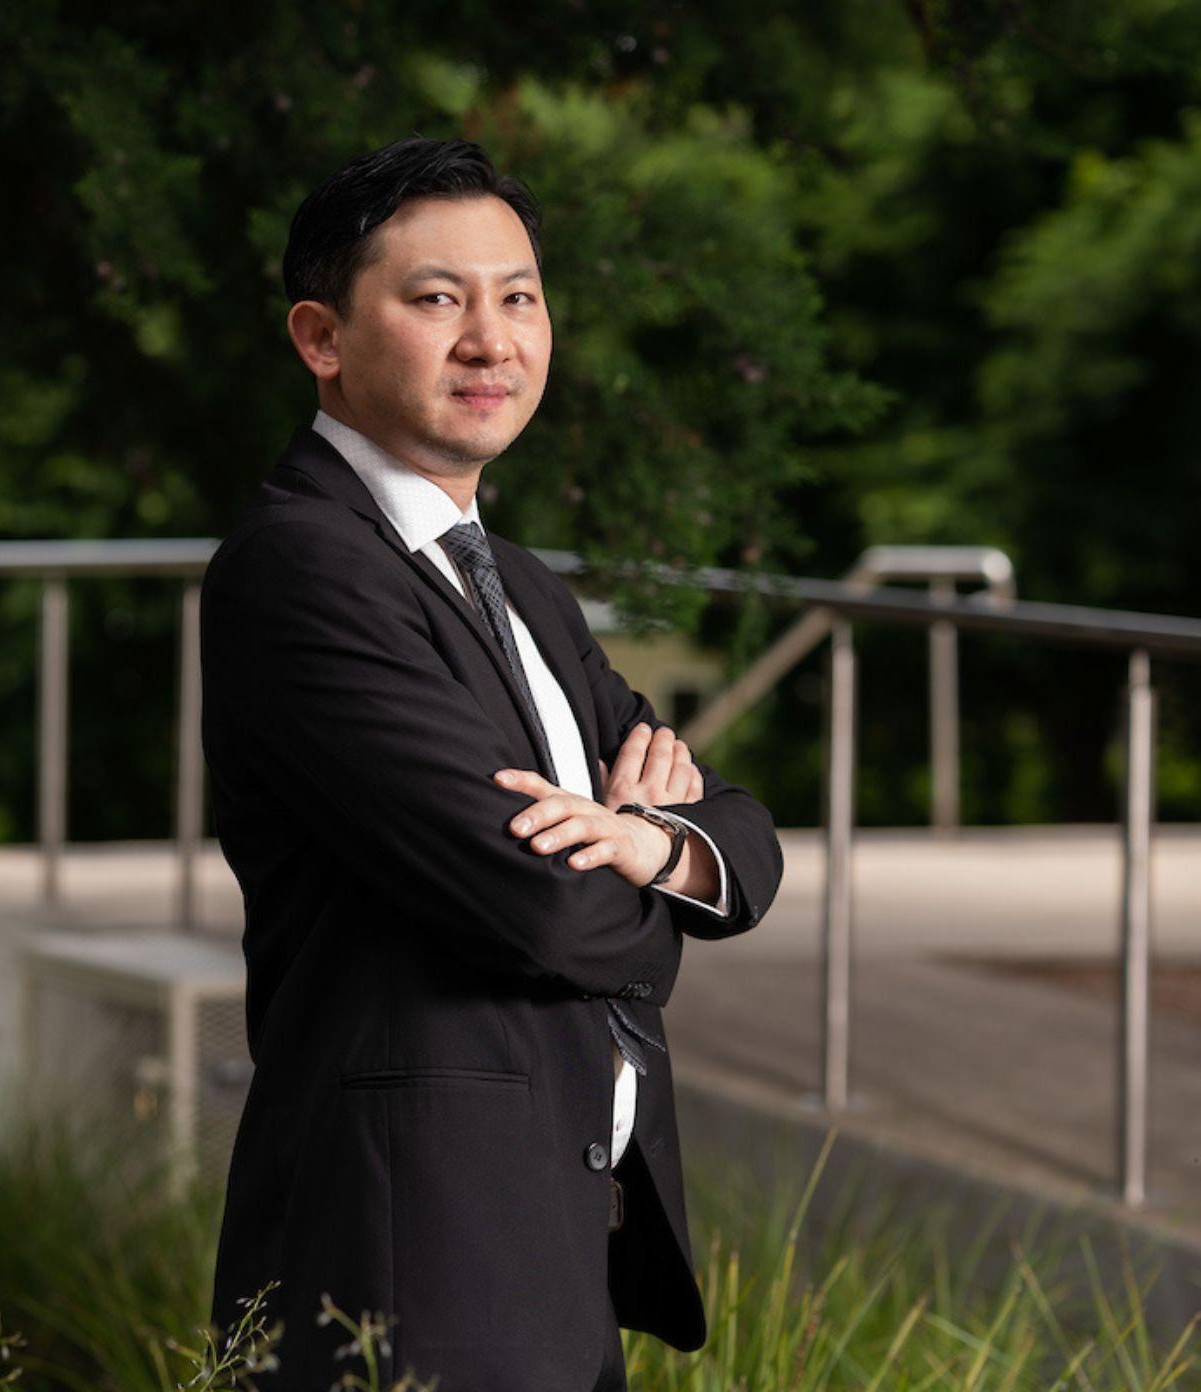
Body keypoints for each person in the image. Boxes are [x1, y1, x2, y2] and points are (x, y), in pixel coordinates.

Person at [200, 136, 783, 1392]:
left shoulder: (511, 578)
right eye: (434, 299)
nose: (491, 339)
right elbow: (544, 905)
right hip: (415, 1259)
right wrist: (645, 878)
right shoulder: (304, 571)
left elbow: (742, 835)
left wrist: (653, 842)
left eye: (517, 296)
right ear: (320, 337)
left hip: (550, 1237)